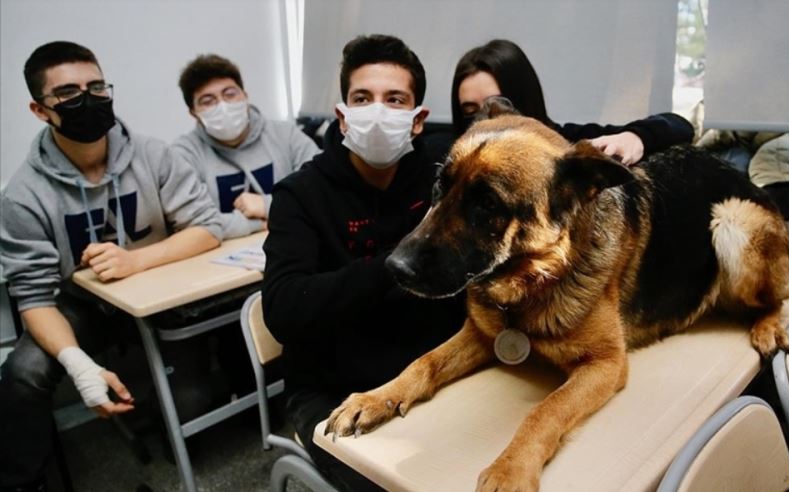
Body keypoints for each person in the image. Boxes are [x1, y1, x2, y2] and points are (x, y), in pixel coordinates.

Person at [0, 41, 223, 492]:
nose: (88, 99)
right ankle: (24, 484)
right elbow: (35, 299)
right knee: (22, 371)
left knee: (198, 411)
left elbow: (208, 228)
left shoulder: (153, 154)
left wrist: (136, 259)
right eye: (67, 93)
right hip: (83, 309)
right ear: (40, 110)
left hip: (159, 293)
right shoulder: (22, 194)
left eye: (96, 86)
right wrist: (78, 365)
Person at [262, 34, 465, 491]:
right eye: (362, 98)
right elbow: (283, 309)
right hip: (333, 388)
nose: (377, 112)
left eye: (395, 100)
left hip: (432, 368)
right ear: (342, 115)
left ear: (417, 121)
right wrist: (400, 261)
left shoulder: (442, 175)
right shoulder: (301, 194)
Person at [451, 39, 694, 165]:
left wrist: (635, 137)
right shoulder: (450, 163)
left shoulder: (570, 145)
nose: (485, 121)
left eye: (497, 105)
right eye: (471, 112)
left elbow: (679, 126)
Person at [172, 54, 320, 239]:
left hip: (297, 244)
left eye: (230, 94)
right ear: (193, 113)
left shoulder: (285, 134)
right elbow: (193, 222)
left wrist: (268, 205)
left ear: (245, 96)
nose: (223, 106)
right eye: (208, 101)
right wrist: (258, 223)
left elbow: (321, 191)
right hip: (220, 262)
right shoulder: (183, 154)